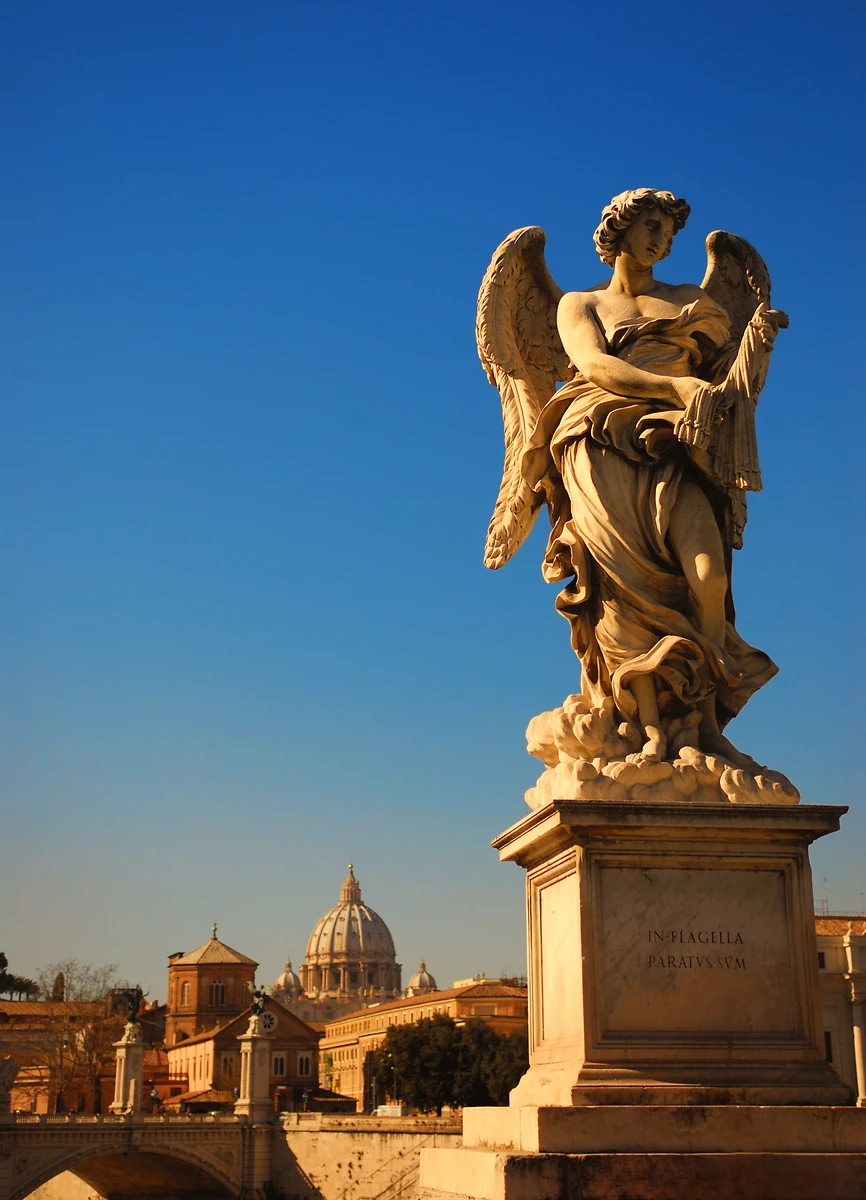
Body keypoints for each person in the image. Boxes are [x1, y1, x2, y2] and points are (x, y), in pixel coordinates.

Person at [522, 189, 781, 768]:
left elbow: (726, 388)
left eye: (668, 232)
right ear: (619, 229)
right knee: (619, 591)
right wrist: (674, 387)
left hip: (679, 449)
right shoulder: (579, 305)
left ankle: (706, 721)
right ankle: (650, 732)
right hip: (600, 439)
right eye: (651, 226)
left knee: (708, 579)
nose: (660, 240)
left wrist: (754, 351)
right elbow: (593, 366)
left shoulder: (692, 301)